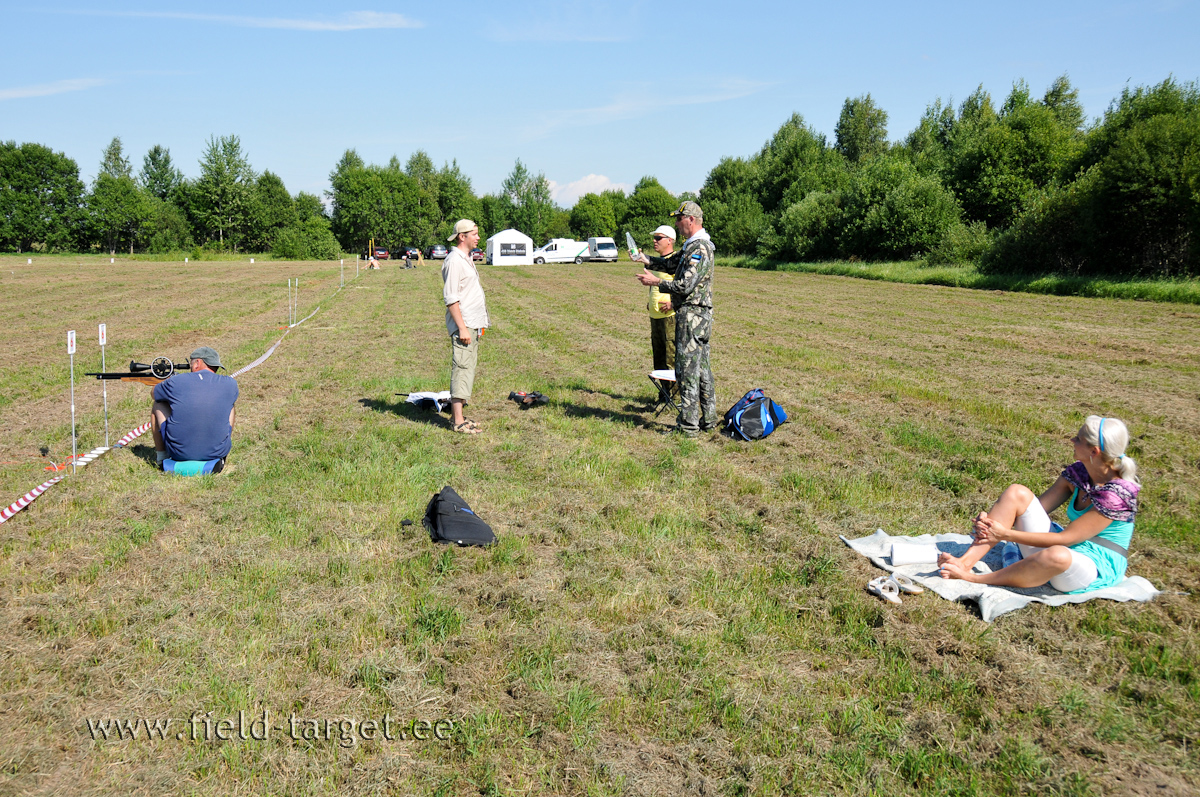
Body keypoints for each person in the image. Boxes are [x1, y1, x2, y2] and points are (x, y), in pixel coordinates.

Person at [939, 415, 1141, 593]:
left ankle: (975, 578)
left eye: (1078, 439)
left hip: (1093, 566)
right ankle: (964, 563)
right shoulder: (1079, 472)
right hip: (1069, 549)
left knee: (1057, 554)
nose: (1072, 440)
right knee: (1016, 493)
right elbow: (1029, 509)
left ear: (1094, 451)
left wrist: (1004, 534)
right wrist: (991, 524)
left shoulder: (1118, 495)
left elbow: (1066, 539)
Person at [635, 201, 717, 437]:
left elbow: (684, 285)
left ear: (691, 219)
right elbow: (671, 263)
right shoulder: (692, 246)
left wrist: (656, 282)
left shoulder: (700, 248)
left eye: (679, 219)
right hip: (697, 317)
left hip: (693, 317)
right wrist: (645, 259)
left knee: (687, 371)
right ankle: (709, 421)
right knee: (701, 370)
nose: (677, 224)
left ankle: (688, 427)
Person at [150, 346, 239, 471]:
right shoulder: (231, 384)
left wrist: (167, 382)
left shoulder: (176, 381)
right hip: (216, 453)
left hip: (178, 454)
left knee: (158, 404)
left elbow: (154, 394)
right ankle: (221, 450)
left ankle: (161, 457)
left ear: (197, 363)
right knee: (230, 405)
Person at [441, 219, 489, 434]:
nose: (478, 237)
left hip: (472, 324)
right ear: (463, 236)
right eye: (475, 234)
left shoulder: (467, 258)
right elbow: (451, 298)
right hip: (464, 325)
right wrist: (462, 328)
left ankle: (458, 416)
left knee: (467, 368)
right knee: (461, 368)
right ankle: (458, 421)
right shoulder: (454, 261)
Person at [632, 225, 681, 372]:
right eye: (654, 238)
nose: (654, 241)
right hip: (655, 315)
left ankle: (673, 395)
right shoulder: (658, 262)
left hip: (669, 317)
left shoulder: (675, 261)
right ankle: (663, 394)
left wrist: (673, 303)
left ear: (669, 241)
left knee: (670, 359)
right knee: (658, 360)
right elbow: (656, 283)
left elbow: (683, 286)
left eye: (658, 238)